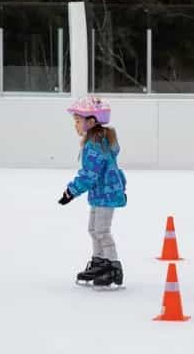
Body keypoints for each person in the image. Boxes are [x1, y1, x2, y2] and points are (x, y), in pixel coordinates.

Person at [58, 96, 127, 289]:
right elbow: (114, 169)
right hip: (102, 194)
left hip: (106, 195)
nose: (76, 126)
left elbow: (89, 175)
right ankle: (99, 262)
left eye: (78, 121)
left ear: (91, 121)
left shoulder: (94, 146)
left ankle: (113, 265)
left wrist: (71, 192)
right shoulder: (100, 142)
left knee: (102, 231)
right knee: (93, 229)